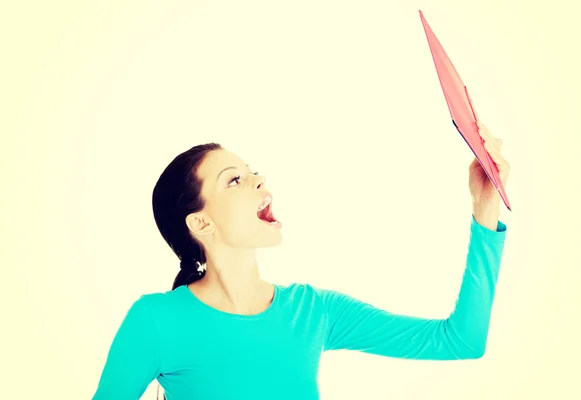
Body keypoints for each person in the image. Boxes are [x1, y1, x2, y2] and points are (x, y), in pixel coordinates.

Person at [91, 121, 509, 400]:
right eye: (234, 180)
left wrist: (485, 209)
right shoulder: (154, 320)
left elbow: (460, 342)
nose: (258, 179)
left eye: (251, 171)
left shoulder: (314, 312)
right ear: (201, 223)